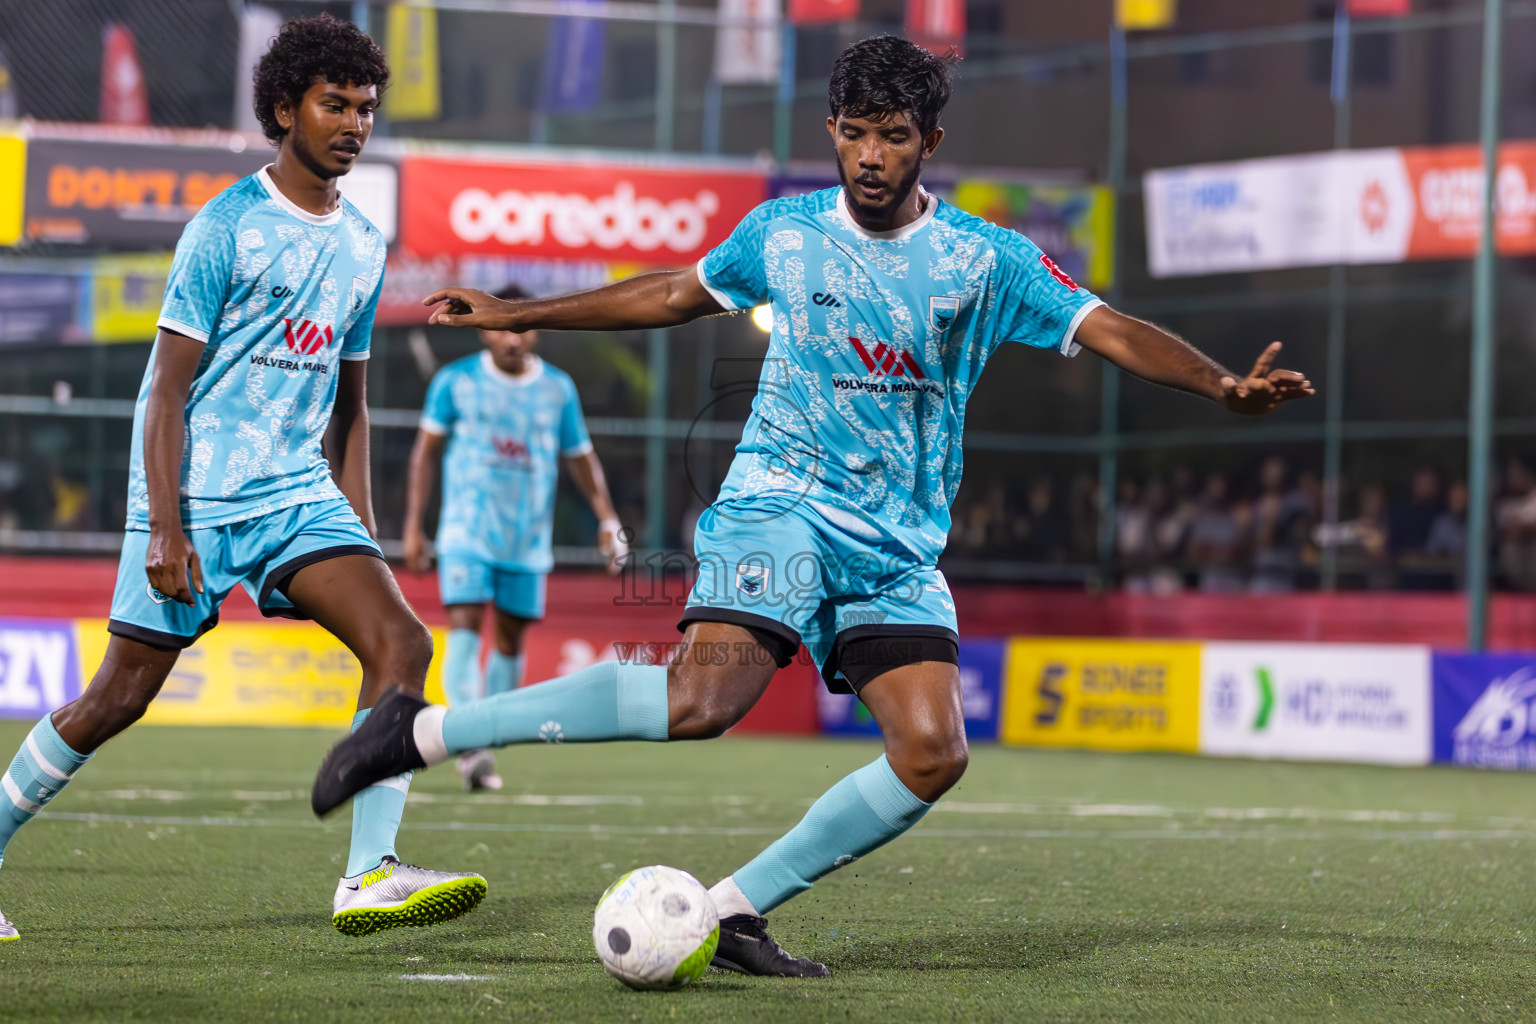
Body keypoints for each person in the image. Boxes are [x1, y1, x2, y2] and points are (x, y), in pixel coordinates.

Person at [310, 35, 1313, 976]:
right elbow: (670, 294)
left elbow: (1111, 328)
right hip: (778, 504)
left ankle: (736, 908)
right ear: (831, 128)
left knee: (931, 753)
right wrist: (520, 310)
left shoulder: (986, 259)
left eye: (894, 135)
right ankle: (421, 732)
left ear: (931, 142)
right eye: (855, 131)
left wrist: (1220, 384)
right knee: (699, 702)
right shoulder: (784, 234)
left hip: (896, 546)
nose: (871, 155)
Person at [0, 15, 486, 942]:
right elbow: (165, 392)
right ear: (282, 109)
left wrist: (359, 533)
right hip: (195, 500)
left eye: (366, 109)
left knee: (404, 647)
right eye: (333, 105)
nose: (353, 124)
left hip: (297, 497)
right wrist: (165, 527)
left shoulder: (365, 244)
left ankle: (370, 873)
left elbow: (353, 401)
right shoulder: (224, 226)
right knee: (117, 699)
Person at [401, 284, 626, 792]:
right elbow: (424, 454)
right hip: (465, 531)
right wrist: (414, 526)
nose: (511, 339)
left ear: (536, 329)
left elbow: (580, 456)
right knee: (463, 624)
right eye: (500, 327)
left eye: (520, 326)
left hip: (526, 541)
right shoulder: (454, 383)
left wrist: (607, 517)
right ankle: (470, 740)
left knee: (509, 639)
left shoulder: (558, 389)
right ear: (482, 330)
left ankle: (486, 738)